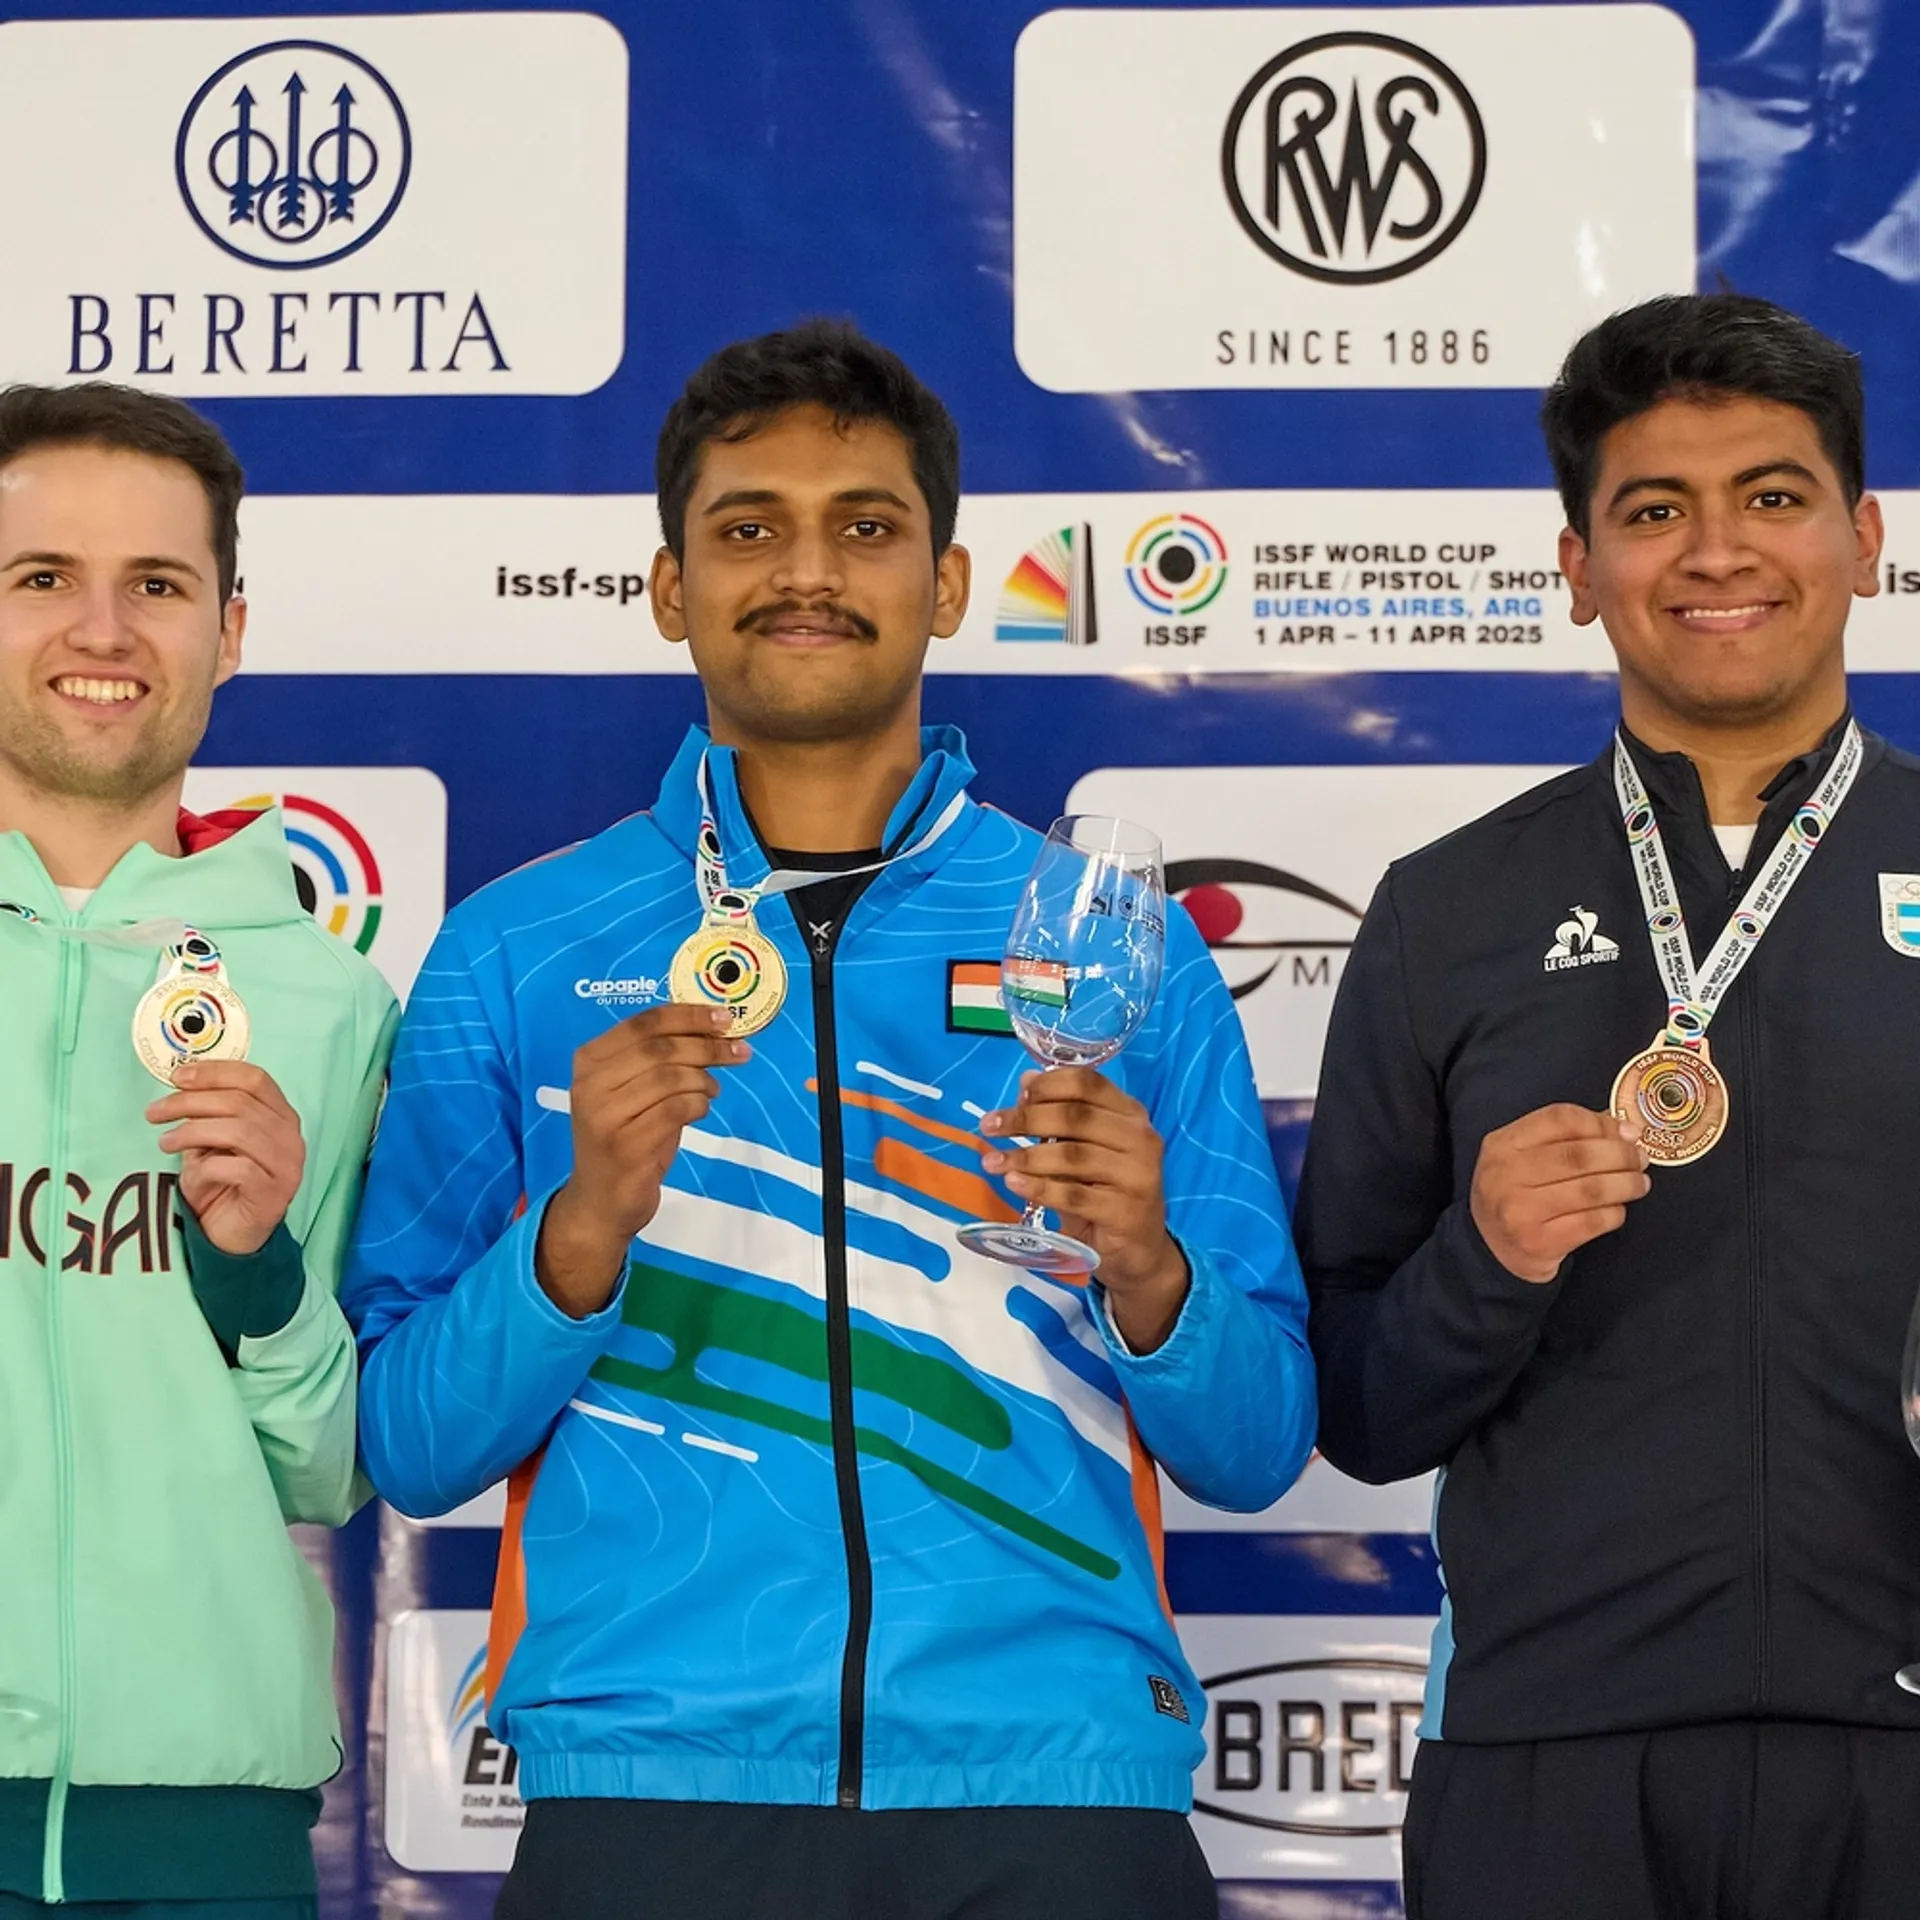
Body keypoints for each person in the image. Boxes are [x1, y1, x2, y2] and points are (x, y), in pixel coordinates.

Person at [344, 319, 1315, 1920]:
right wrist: (580, 1232)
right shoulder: (517, 950)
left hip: (1054, 1795)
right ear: (671, 588)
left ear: (947, 584)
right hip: (652, 1796)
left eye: (866, 526)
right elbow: (408, 1444)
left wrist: (1150, 1273)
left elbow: (1260, 1445)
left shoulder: (1114, 950)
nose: (808, 571)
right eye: (749, 529)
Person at [1296, 291, 1920, 1919]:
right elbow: (1352, 1405)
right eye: (1654, 511)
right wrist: (1485, 1262)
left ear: (1863, 539)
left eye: (1772, 496)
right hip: (1552, 1762)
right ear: (1577, 566)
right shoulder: (1449, 909)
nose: (1717, 551)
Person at [0, 384, 396, 1918]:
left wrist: (257, 1269)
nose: (102, 631)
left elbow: (333, 1462)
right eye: (43, 576)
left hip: (198, 1830)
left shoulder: (331, 1001)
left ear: (229, 631)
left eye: (156, 584)